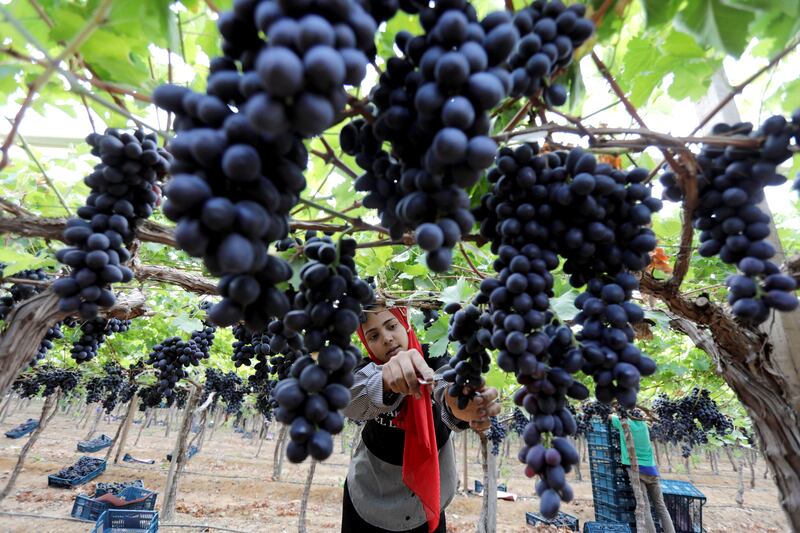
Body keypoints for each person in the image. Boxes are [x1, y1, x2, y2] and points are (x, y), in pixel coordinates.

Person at [341, 305, 500, 533]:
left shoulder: (434, 357)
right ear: (367, 344)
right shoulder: (367, 369)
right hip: (368, 498)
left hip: (427, 501)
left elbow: (445, 383)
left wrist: (458, 404)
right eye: (373, 336)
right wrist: (384, 380)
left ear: (406, 324)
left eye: (392, 326)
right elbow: (349, 400)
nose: (386, 338)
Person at [610, 413, 676, 533]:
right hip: (652, 471)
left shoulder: (624, 423)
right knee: (661, 506)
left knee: (644, 506)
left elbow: (607, 415)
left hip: (636, 471)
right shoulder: (644, 425)